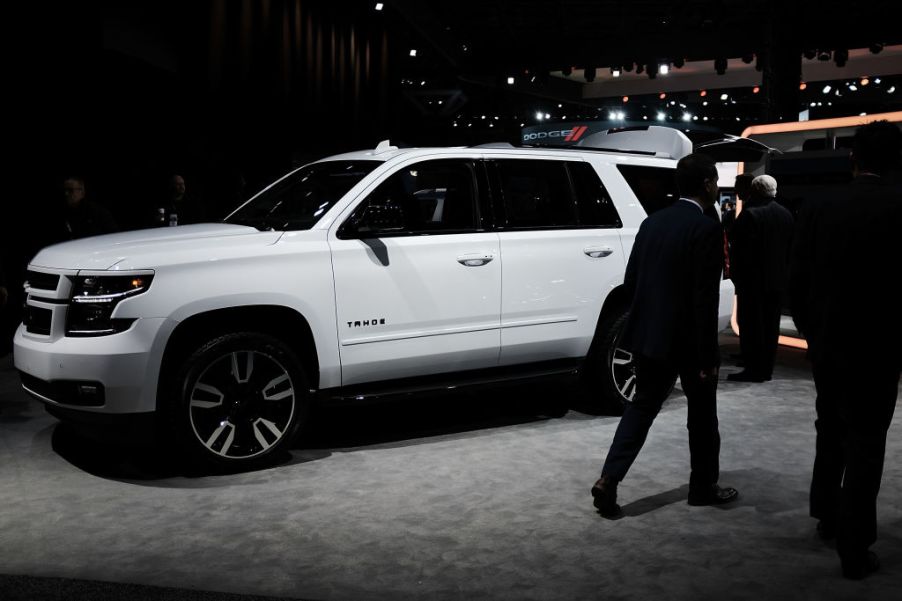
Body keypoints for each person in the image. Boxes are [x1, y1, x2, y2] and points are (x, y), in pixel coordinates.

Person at [591, 153, 738, 518]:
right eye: (715, 181)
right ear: (706, 184)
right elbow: (704, 300)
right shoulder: (705, 229)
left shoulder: (651, 224)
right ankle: (702, 488)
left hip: (649, 336)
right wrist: (709, 357)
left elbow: (631, 283)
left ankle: (609, 478)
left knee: (641, 408)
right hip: (688, 341)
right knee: (702, 416)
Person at [790, 120, 902, 580]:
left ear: (853, 158)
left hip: (828, 344)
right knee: (866, 442)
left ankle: (825, 514)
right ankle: (854, 547)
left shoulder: (818, 205)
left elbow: (795, 283)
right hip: (880, 348)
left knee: (829, 427)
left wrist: (813, 333)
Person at [727, 174, 794, 382]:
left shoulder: (750, 215)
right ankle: (766, 369)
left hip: (752, 282)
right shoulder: (785, 214)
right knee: (771, 327)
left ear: (754, 190)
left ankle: (753, 369)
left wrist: (736, 277)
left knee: (752, 326)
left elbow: (739, 251)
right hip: (777, 281)